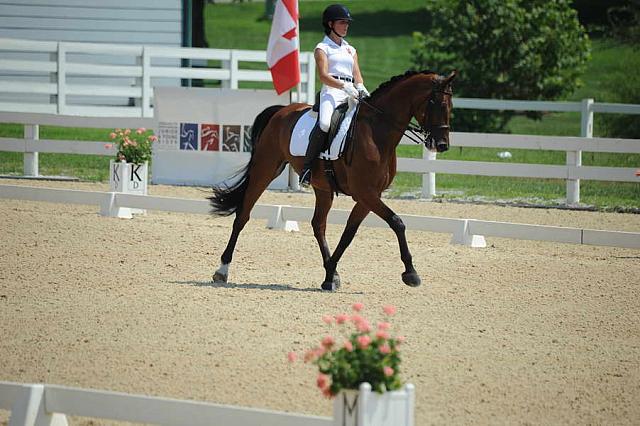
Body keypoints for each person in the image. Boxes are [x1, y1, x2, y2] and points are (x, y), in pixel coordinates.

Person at [299, 3, 369, 186]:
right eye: (342, 22)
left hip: (351, 93)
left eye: (347, 23)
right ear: (330, 24)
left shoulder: (350, 49)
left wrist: (361, 88)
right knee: (324, 123)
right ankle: (307, 168)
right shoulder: (322, 48)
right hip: (331, 92)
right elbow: (323, 76)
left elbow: (357, 75)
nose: (346, 26)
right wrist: (344, 86)